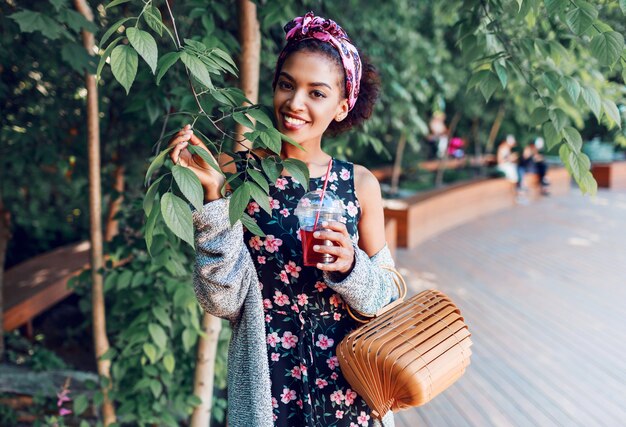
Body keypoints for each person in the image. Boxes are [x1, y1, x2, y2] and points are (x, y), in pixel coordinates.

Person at [168, 12, 398, 427]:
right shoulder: (236, 173)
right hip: (269, 389)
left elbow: (388, 301)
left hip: (353, 392)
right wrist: (213, 199)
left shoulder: (359, 184)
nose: (295, 104)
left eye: (317, 93)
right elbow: (219, 300)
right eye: (287, 85)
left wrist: (351, 265)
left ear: (343, 106)